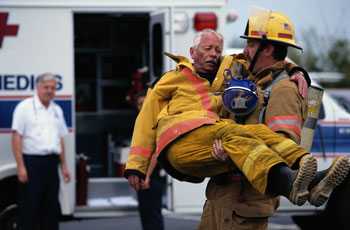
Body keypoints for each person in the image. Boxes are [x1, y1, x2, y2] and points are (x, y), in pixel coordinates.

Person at [124, 28, 349, 207]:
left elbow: (270, 59)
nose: (213, 53)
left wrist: (296, 71)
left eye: (217, 49)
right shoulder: (171, 79)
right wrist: (136, 166)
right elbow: (145, 120)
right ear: (193, 53)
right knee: (232, 132)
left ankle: (309, 178)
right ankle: (289, 183)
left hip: (210, 135)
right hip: (178, 143)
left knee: (257, 133)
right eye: (207, 48)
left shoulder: (232, 69)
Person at [197, 10, 350, 230]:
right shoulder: (254, 79)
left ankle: (315, 181)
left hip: (244, 205)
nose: (245, 50)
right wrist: (295, 67)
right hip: (219, 199)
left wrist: (230, 154)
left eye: (250, 44)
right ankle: (316, 181)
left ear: (267, 48)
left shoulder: (284, 90)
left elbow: (281, 149)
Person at [11, 73, 71, 230]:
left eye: (53, 88)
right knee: (30, 208)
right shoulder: (24, 107)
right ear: (38, 87)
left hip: (52, 163)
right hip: (32, 163)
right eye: (46, 87)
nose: (50, 91)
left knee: (51, 208)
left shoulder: (57, 110)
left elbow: (60, 140)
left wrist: (64, 166)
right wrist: (20, 166)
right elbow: (16, 137)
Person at [134, 90, 166, 230]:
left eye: (144, 103)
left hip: (152, 176)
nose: (141, 106)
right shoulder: (141, 123)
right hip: (143, 174)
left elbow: (156, 152)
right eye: (139, 104)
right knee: (145, 214)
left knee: (153, 214)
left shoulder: (155, 121)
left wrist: (146, 176)